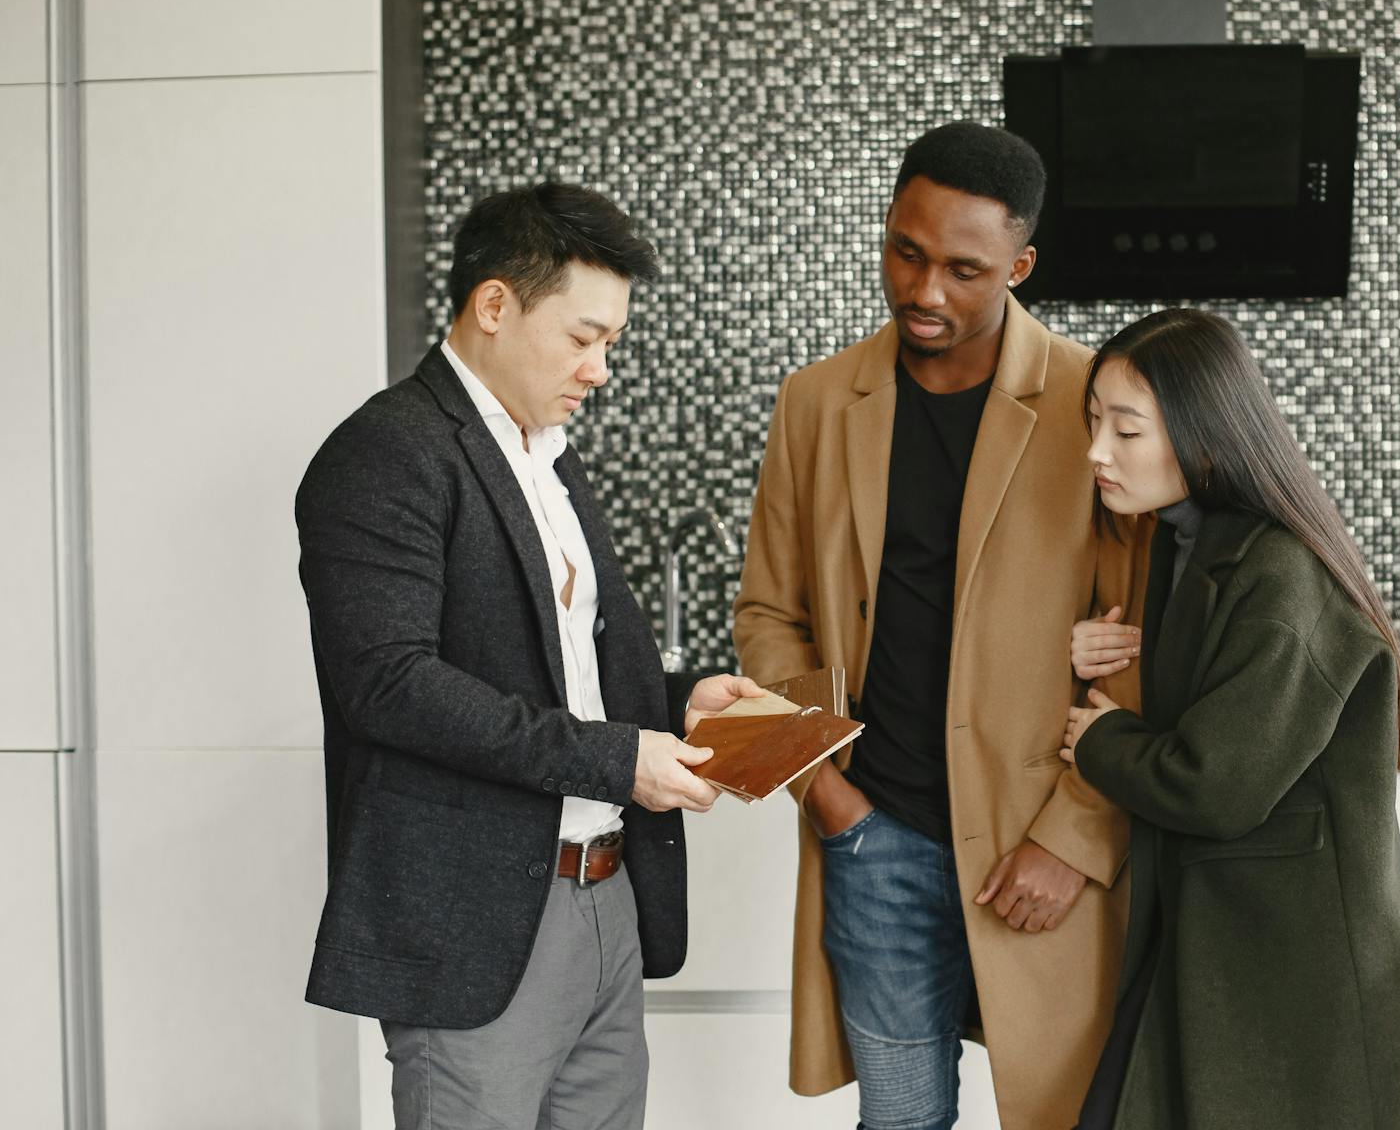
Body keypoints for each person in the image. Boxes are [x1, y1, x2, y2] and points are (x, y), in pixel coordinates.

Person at [296, 182, 764, 1130]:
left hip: (606, 896)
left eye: (611, 344)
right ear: (495, 305)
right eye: (583, 336)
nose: (599, 368)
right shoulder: (388, 450)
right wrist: (618, 757)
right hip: (480, 919)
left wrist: (678, 707)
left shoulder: (545, 451)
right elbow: (388, 685)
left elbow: (558, 666)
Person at [733, 121, 1149, 1130]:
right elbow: (765, 616)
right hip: (875, 840)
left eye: (964, 269)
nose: (924, 290)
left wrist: (1074, 836)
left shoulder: (1095, 401)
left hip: (1041, 850)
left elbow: (1139, 639)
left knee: (1064, 1113)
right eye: (904, 251)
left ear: (1022, 263)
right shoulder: (816, 402)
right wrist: (827, 795)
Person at [1062, 307, 1400, 1129]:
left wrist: (1100, 743)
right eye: (1094, 421)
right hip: (1241, 970)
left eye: (1125, 429)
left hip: (1303, 1000)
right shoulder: (1188, 544)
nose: (1097, 451)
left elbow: (1216, 785)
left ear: (1203, 437)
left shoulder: (1279, 578)